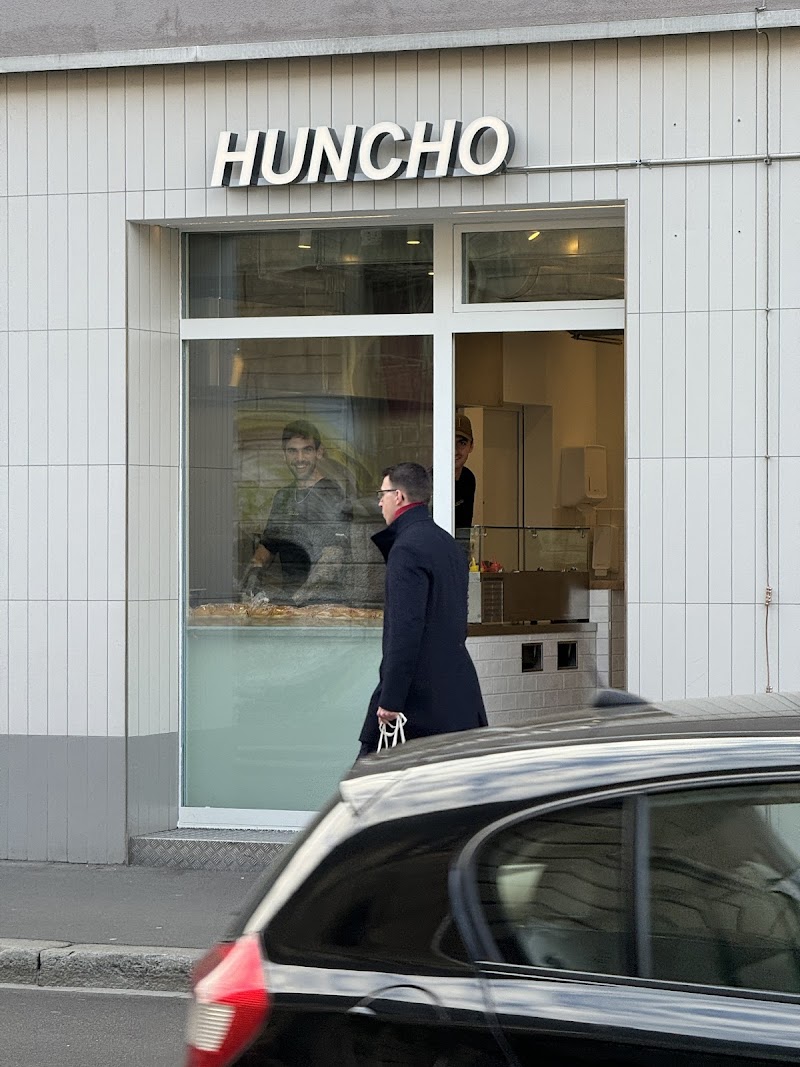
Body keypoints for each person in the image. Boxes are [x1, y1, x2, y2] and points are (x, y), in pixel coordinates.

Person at [358, 461, 487, 756]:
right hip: (456, 694)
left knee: (369, 779)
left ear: (399, 496)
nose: (379, 503)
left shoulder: (406, 549)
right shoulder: (448, 544)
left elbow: (405, 630)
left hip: (419, 701)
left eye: (382, 494)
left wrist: (391, 699)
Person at [247, 420, 345, 602]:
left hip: (324, 604)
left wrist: (296, 600)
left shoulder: (331, 493)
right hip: (290, 601)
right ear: (284, 455)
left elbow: (332, 558)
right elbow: (268, 545)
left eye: (307, 450)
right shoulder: (283, 497)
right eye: (292, 451)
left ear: (319, 452)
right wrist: (254, 571)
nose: (300, 458)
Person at [454, 413, 476, 529]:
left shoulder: (468, 478)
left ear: (471, 446)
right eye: (450, 442)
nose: (455, 450)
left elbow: (465, 526)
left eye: (462, 443)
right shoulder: (428, 479)